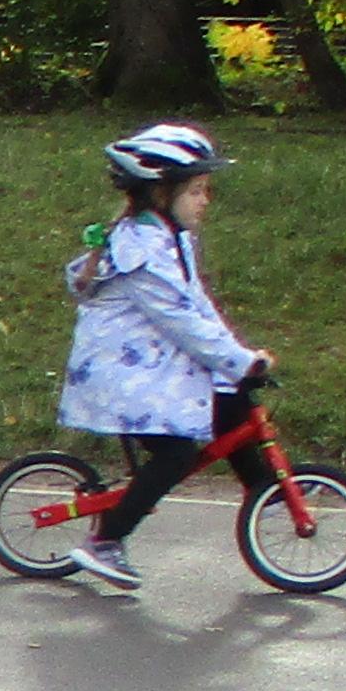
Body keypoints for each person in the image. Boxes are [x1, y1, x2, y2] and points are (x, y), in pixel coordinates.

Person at [51, 121, 264, 595]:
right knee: (176, 452)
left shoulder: (172, 239)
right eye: (197, 191)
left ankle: (265, 492)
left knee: (232, 399)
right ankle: (105, 542)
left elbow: (200, 308)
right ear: (161, 193)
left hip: (151, 370)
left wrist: (239, 361)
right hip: (124, 379)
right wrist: (238, 361)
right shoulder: (143, 253)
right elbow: (182, 322)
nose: (206, 200)